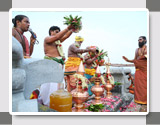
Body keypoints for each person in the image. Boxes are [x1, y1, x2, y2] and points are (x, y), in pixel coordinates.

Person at [122, 36, 147, 111]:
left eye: (140, 39)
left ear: (145, 40)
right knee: (138, 86)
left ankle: (145, 101)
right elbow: (135, 60)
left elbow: (145, 59)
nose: (139, 41)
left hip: (145, 70)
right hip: (138, 70)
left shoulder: (147, 48)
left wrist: (139, 61)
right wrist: (128, 60)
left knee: (144, 86)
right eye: (138, 40)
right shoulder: (137, 50)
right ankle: (138, 100)